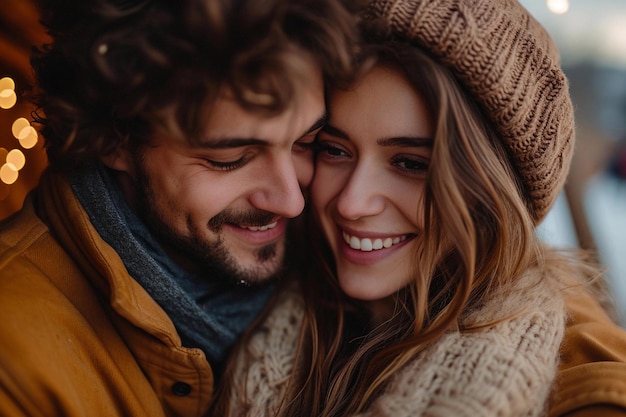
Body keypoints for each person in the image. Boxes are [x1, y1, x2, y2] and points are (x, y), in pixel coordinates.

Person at [212, 0, 626, 416]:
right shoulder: (250, 300)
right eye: (335, 150)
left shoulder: (587, 387)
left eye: (411, 164)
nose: (353, 203)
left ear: (495, 188)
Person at [0, 0, 361, 416]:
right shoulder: (15, 363)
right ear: (115, 138)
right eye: (229, 159)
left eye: (306, 143)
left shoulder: (338, 272)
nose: (291, 201)